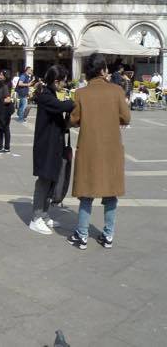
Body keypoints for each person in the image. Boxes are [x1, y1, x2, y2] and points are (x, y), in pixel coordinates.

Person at [68, 54, 130, 250]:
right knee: (111, 193)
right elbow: (126, 117)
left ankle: (82, 235)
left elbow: (73, 120)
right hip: (111, 148)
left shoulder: (81, 93)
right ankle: (108, 235)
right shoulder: (117, 90)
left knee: (86, 192)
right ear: (104, 70)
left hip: (89, 148)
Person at [28, 65, 74, 235]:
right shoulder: (45, 96)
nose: (65, 83)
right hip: (45, 146)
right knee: (44, 181)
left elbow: (60, 115)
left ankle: (44, 214)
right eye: (64, 80)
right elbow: (63, 106)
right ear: (56, 81)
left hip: (54, 145)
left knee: (52, 180)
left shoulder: (51, 93)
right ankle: (35, 218)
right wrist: (77, 101)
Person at [0, 70, 14, 154]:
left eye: (1, 75)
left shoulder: (5, 86)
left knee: (2, 128)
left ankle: (2, 147)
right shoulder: (2, 85)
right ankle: (3, 147)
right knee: (3, 128)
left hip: (4, 111)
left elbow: (8, 99)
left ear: (5, 76)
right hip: (4, 110)